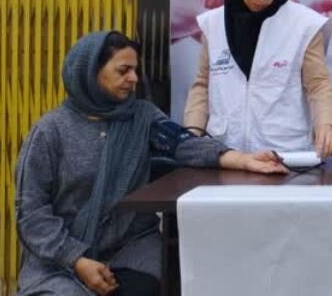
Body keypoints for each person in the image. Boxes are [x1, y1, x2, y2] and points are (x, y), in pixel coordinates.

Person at [15, 31, 288, 296]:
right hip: (62, 256)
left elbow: (183, 144)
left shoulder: (141, 117)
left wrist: (244, 159)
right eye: (123, 71)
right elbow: (31, 213)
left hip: (130, 247)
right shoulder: (50, 132)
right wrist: (76, 259)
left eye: (135, 70)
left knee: (150, 285)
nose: (133, 78)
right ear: (91, 71)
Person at [183, 0, 332, 158]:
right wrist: (192, 133)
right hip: (226, 153)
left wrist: (326, 125)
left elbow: (318, 85)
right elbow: (202, 85)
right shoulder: (213, 24)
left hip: (283, 154)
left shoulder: (304, 25)